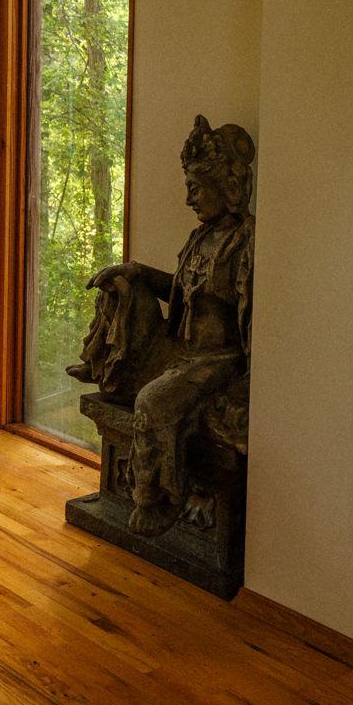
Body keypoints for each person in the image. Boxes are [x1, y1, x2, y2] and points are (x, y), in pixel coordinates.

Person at [71, 115, 254, 536]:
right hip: (179, 347)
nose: (188, 199)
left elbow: (246, 315)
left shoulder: (242, 242)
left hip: (213, 360)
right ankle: (98, 358)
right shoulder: (199, 239)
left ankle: (156, 497)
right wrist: (134, 272)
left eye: (195, 188)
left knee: (152, 400)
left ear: (225, 189)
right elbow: (177, 293)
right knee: (121, 286)